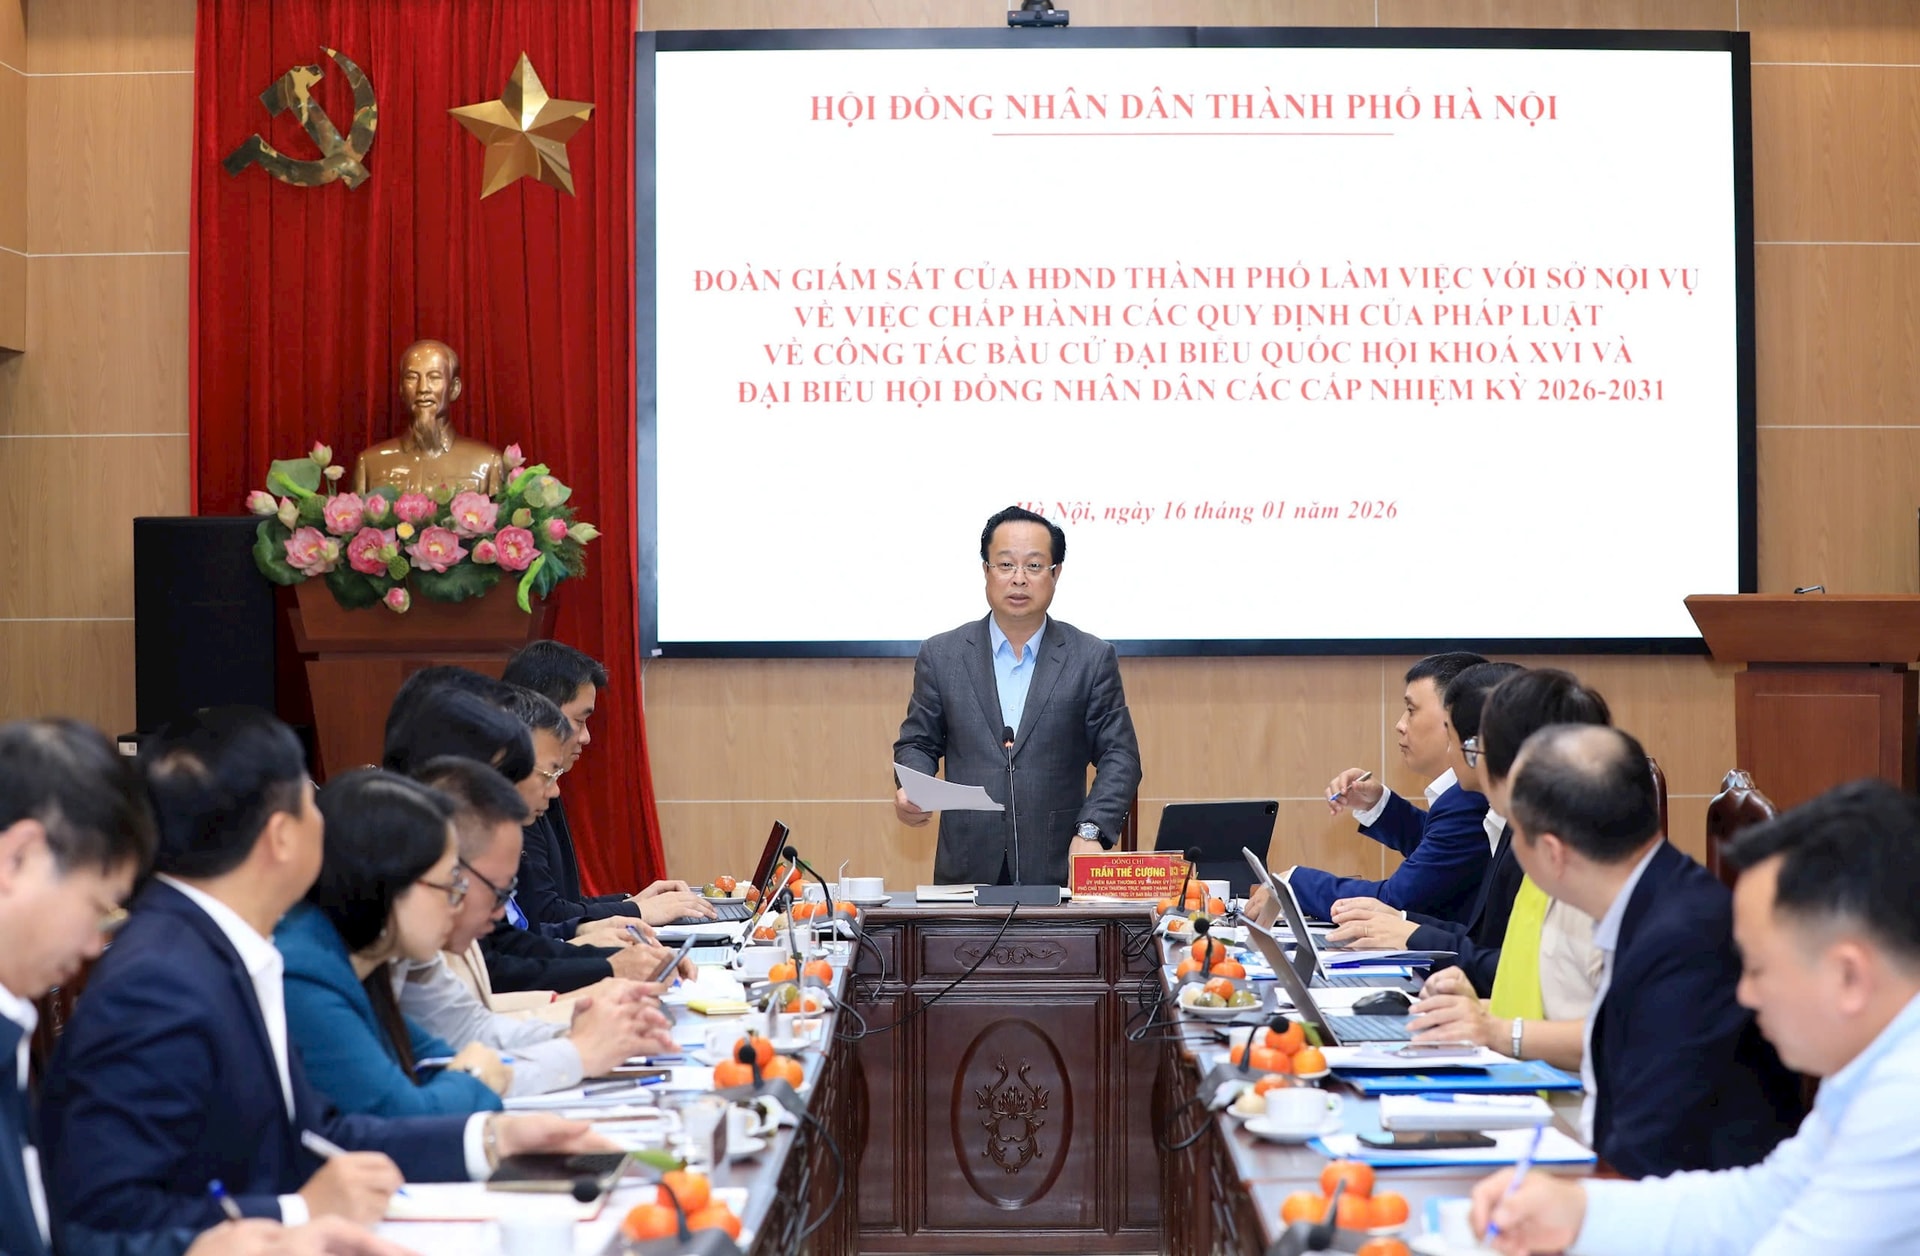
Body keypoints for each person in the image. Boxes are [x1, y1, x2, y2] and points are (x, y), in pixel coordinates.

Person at [38, 706, 611, 1239]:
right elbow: (103, 1222)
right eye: (311, 804)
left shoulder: (223, 948)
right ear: (281, 836)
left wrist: (488, 1139)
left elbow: (317, 1134)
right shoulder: (162, 977)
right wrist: (297, 1212)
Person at [0, 720, 412, 1256]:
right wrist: (280, 1220)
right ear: (18, 857)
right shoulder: (159, 978)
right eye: (98, 908)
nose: (93, 946)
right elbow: (97, 1219)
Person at [1470, 779, 1920, 1255]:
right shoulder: (1869, 1066)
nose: (1744, 994)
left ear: (1848, 976)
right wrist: (1581, 1211)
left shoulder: (1903, 1102)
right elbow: (1761, 1201)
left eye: (1757, 968)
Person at [1500, 724, 1800, 1178]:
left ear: (1552, 853)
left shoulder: (1682, 942)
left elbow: (1648, 1154)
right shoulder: (1653, 898)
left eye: (1515, 833)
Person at [892, 505, 1142, 886]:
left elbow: (1120, 756)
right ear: (986, 571)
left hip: (1057, 871)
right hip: (966, 872)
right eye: (1006, 565)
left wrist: (1091, 829)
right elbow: (917, 743)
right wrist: (914, 787)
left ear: (1056, 573)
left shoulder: (1090, 658)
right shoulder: (942, 655)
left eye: (1034, 566)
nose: (1019, 579)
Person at [398, 756, 674, 1093]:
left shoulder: (411, 951)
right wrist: (577, 1050)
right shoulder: (361, 967)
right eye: (497, 891)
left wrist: (580, 1025)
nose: (500, 914)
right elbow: (412, 1099)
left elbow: (470, 1031)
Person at [380, 684, 675, 994]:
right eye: (548, 774)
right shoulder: (427, 856)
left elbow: (508, 942)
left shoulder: (492, 832)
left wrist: (594, 944)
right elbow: (492, 974)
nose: (555, 790)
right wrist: (606, 969)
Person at [1397, 669, 1611, 1072]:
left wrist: (1497, 1030)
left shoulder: (1591, 876)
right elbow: (1547, 993)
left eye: (1473, 746)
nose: (1465, 757)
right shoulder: (1540, 851)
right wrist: (1482, 1007)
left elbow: (1621, 1035)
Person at [277, 770, 507, 1117]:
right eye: (449, 886)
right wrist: (475, 1077)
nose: (456, 906)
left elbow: (434, 1061)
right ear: (388, 882)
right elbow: (404, 1114)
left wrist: (468, 1076)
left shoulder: (364, 959)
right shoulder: (304, 975)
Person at [1318, 662, 1524, 990]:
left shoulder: (1531, 836)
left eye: (1453, 736)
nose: (1400, 725)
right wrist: (1403, 924)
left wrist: (1409, 931)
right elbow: (1483, 942)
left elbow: (1513, 968)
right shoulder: (1499, 816)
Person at [501, 642, 710, 931]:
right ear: (539, 713)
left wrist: (632, 902)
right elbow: (544, 915)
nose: (586, 737)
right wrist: (636, 912)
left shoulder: (543, 785)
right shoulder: (513, 796)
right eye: (579, 721)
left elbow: (562, 904)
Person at [1287, 652, 1492, 921]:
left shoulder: (1471, 799)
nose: (1400, 725)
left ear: (1454, 718)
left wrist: (1294, 884)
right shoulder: (1464, 799)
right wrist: (1378, 804)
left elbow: (1394, 900)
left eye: (1411, 710)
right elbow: (1442, 851)